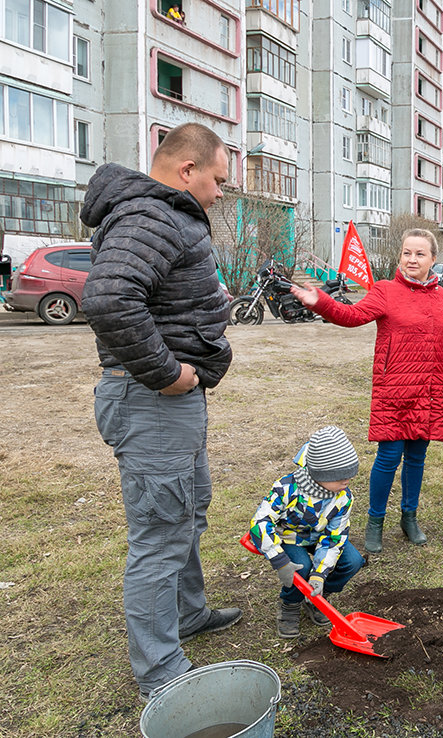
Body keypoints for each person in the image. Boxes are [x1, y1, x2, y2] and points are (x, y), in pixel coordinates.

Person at [80, 122, 240, 700]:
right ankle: (160, 671)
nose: (221, 194)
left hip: (171, 406)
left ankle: (188, 614)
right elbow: (108, 298)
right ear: (186, 170)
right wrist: (169, 374)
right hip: (152, 400)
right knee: (161, 532)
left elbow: (148, 292)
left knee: (186, 511)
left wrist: (204, 301)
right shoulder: (151, 214)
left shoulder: (164, 215)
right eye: (218, 181)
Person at [291, 230, 443, 553]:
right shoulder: (385, 291)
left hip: (429, 387)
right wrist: (320, 301)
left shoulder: (439, 296)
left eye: (419, 254)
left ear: (433, 259)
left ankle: (409, 517)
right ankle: (375, 521)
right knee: (389, 457)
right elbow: (352, 316)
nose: (412, 259)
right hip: (396, 389)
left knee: (417, 457)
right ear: (400, 256)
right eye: (407, 253)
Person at [249, 426, 366, 638]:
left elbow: (334, 537)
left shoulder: (343, 497)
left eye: (349, 475)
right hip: (289, 537)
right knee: (299, 567)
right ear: (320, 473)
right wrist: (279, 560)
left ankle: (317, 596)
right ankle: (290, 605)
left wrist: (320, 575)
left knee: (353, 561)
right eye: (340, 477)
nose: (346, 481)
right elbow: (261, 522)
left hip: (321, 536)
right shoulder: (285, 489)